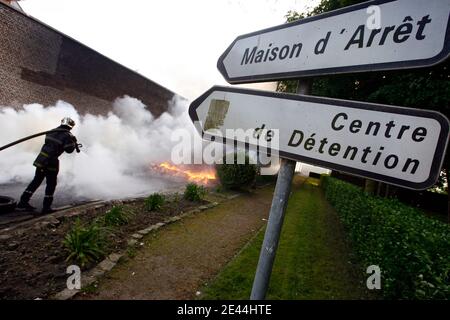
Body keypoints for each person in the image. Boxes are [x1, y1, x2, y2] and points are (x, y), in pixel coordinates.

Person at [17, 117, 79, 214]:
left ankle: (22, 203)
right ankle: (46, 207)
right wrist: (73, 143)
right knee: (51, 184)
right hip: (51, 162)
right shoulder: (68, 136)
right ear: (70, 126)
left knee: (36, 181)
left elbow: (52, 144)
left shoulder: (51, 131)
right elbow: (69, 150)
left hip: (41, 159)